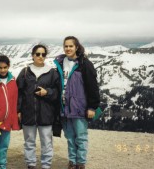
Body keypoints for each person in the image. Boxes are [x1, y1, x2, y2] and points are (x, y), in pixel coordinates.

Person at [54, 36, 100, 169]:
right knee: (70, 137)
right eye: (66, 46)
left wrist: (92, 106)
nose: (68, 49)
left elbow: (92, 86)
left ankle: (80, 163)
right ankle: (72, 161)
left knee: (81, 136)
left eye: (71, 46)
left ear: (77, 47)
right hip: (64, 107)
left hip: (79, 107)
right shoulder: (60, 63)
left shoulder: (84, 64)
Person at [17, 44, 59, 169]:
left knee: (47, 142)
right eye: (38, 54)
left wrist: (47, 92)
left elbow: (57, 92)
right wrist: (18, 110)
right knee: (29, 142)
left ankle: (46, 165)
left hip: (46, 114)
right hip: (28, 113)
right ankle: (31, 164)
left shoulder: (52, 73)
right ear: (33, 55)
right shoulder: (25, 72)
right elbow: (19, 92)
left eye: (43, 54)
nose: (40, 57)